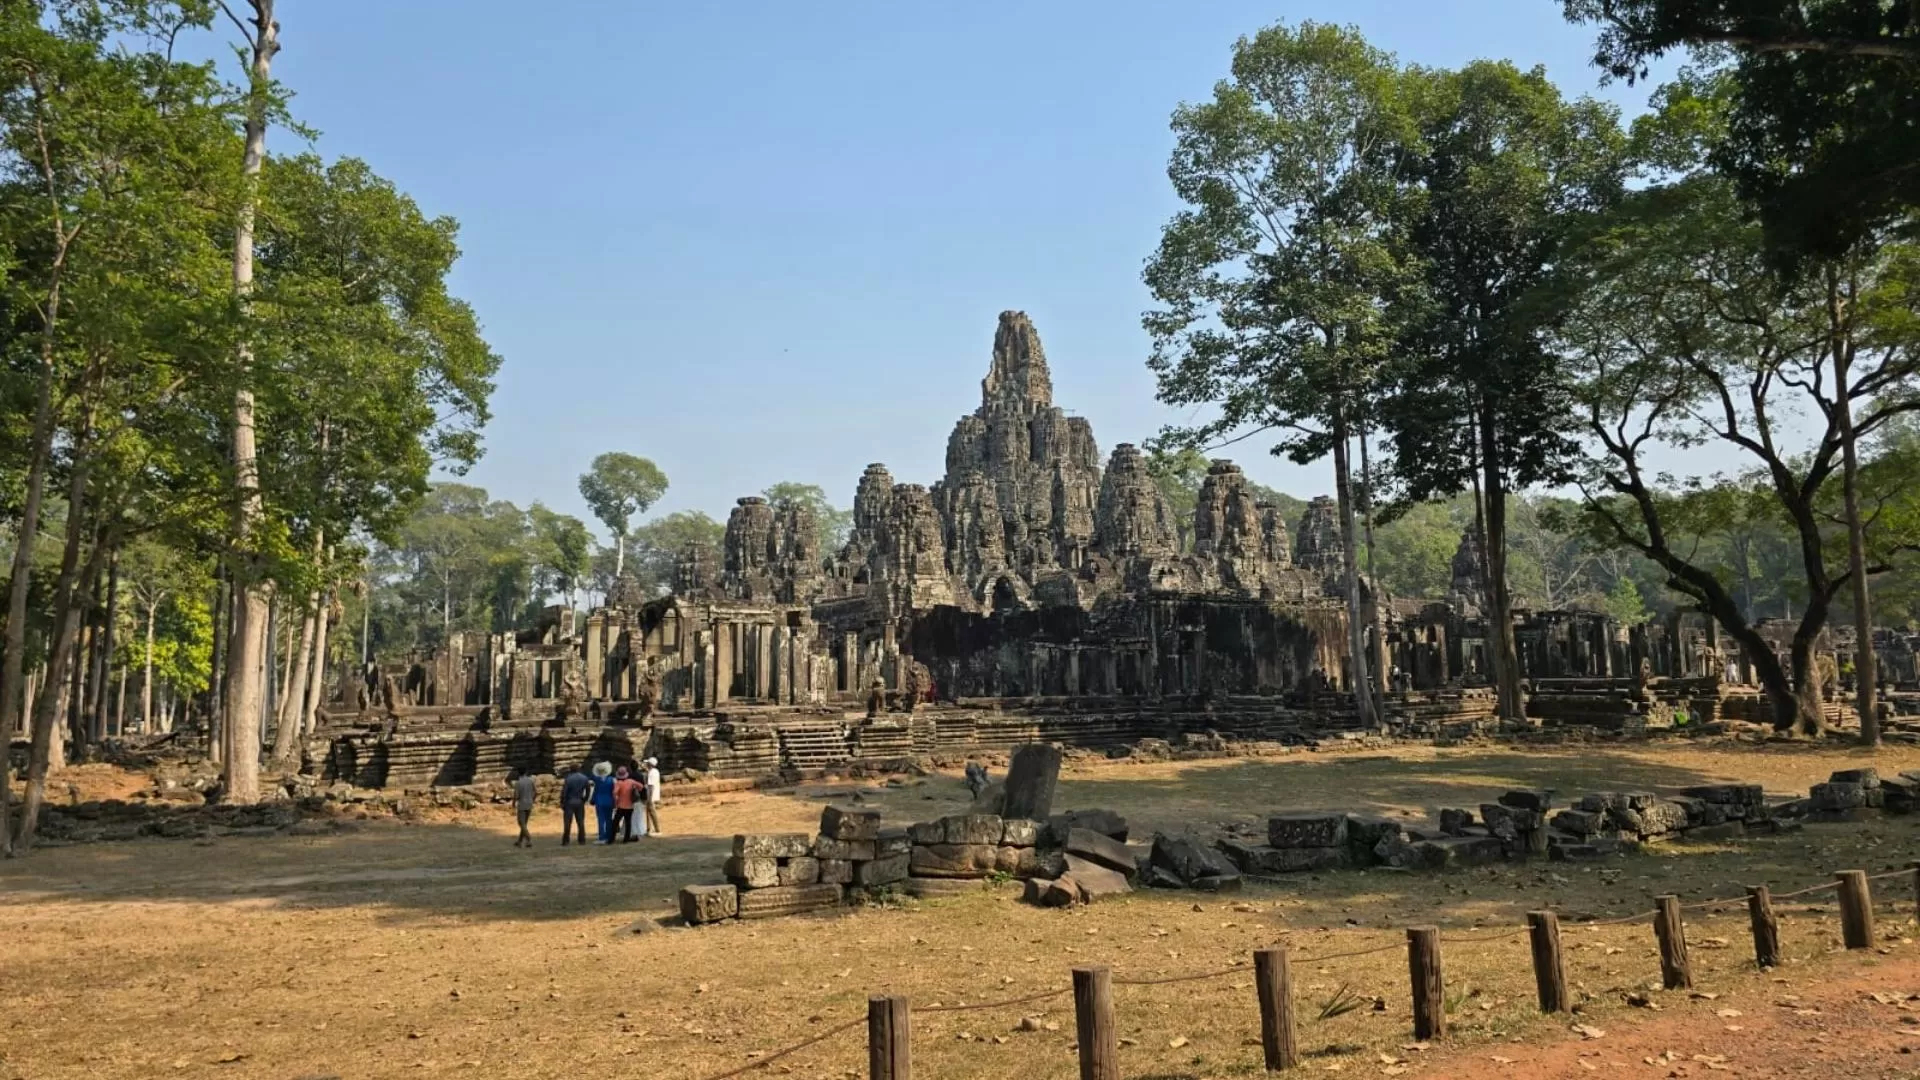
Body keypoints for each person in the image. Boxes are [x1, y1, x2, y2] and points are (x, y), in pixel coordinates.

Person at [559, 763, 591, 846]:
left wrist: (562, 802)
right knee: (580, 822)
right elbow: (588, 789)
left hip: (569, 802)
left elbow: (564, 792)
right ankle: (582, 840)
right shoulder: (584, 778)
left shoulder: (568, 779)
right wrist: (585, 799)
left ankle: (566, 840)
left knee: (567, 822)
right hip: (579, 801)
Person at [611, 765, 642, 842]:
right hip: (630, 806)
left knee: (615, 822)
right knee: (628, 823)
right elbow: (641, 786)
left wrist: (615, 801)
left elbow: (614, 793)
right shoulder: (631, 781)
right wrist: (634, 789)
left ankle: (611, 838)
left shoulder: (619, 783)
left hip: (621, 806)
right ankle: (626, 839)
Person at [590, 760, 617, 844]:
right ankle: (608, 836)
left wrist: (593, 800)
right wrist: (615, 801)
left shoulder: (597, 780)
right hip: (609, 800)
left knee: (601, 820)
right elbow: (614, 792)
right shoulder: (612, 780)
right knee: (609, 819)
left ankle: (602, 836)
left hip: (599, 801)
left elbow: (595, 790)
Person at [511, 767, 538, 848]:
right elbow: (536, 792)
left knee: (521, 823)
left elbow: (516, 795)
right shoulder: (531, 781)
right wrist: (532, 799)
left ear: (518, 773)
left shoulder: (518, 783)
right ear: (526, 772)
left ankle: (528, 839)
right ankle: (519, 841)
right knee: (524, 824)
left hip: (522, 804)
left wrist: (513, 803)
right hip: (529, 803)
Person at [643, 756, 663, 836]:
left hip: (651, 795)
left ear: (650, 764)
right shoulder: (655, 771)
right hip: (653, 794)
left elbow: (651, 786)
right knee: (649, 812)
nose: (646, 764)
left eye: (647, 763)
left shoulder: (652, 773)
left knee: (652, 812)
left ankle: (657, 829)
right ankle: (649, 829)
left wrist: (649, 798)